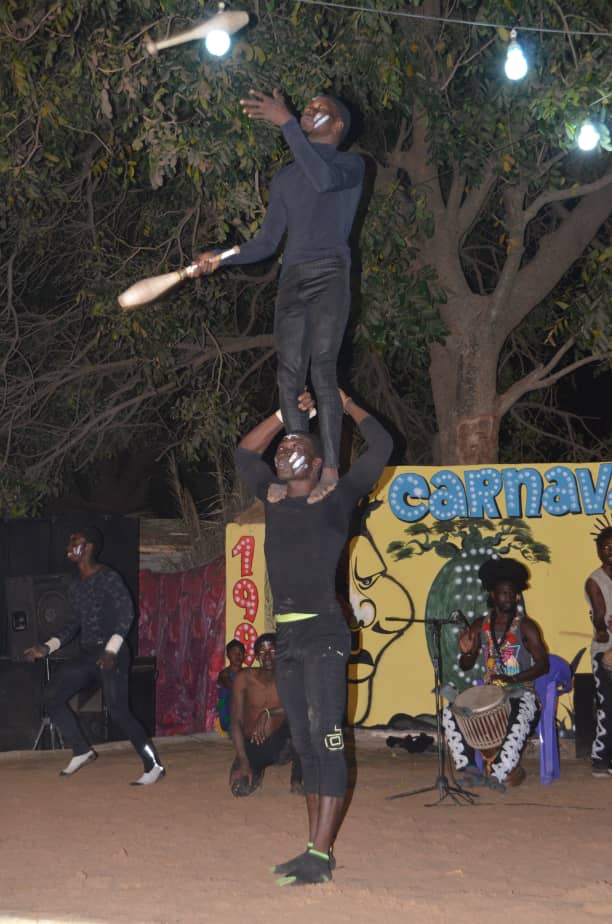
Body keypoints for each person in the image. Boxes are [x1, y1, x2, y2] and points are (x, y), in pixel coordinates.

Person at [234, 388, 392, 885]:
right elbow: (243, 452)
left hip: (324, 634)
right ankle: (313, 850)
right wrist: (285, 414)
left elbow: (382, 446)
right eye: (280, 447)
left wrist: (344, 405)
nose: (282, 449)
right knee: (304, 745)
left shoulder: (338, 497)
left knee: (326, 741)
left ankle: (321, 855)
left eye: (292, 446)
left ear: (318, 461)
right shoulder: (274, 498)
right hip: (288, 639)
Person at [194, 90, 364, 503]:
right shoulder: (286, 177)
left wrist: (287, 123)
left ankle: (330, 470)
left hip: (330, 272)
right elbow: (267, 242)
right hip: (293, 277)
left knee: (322, 367)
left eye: (321, 108)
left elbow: (322, 182)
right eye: (307, 107)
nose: (310, 109)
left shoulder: (351, 164)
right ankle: (298, 466)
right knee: (288, 372)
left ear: (338, 125)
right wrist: (223, 256)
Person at [24, 526, 165, 785]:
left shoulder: (109, 577)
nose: (68, 545)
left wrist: (111, 650)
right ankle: (81, 750)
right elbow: (72, 625)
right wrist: (47, 647)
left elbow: (126, 614)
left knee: (119, 711)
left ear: (88, 547)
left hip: (114, 652)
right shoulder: (76, 585)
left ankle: (153, 765)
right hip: (88, 654)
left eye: (74, 541)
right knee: (51, 697)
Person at [442, 557, 549, 790]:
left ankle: (503, 769)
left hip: (521, 693)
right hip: (489, 693)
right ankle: (469, 768)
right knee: (452, 711)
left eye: (512, 593)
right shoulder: (481, 625)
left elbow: (543, 665)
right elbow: (466, 664)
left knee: (519, 708)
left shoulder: (527, 626)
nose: (509, 598)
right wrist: (468, 653)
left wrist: (514, 679)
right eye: (503, 593)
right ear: (492, 595)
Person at [229, 633, 302, 797]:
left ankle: (297, 780)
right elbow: (236, 721)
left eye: (272, 650)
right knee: (239, 789)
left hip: (280, 746)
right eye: (262, 652)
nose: (268, 656)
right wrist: (243, 759)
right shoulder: (244, 678)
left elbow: (299, 708)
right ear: (256, 656)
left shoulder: (288, 678)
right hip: (253, 746)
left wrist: (267, 713)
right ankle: (256, 768)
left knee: (301, 723)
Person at [585, 526, 612, 778]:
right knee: (609, 706)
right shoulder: (595, 581)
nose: (610, 551)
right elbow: (600, 621)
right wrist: (603, 627)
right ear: (598, 551)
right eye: (605, 547)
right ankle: (600, 760)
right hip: (605, 651)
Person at [215, 639, 246, 736]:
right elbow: (233, 688)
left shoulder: (247, 672)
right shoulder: (225, 674)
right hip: (226, 711)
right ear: (228, 655)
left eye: (241, 652)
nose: (238, 655)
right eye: (234, 653)